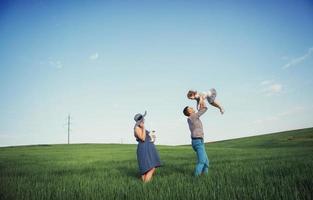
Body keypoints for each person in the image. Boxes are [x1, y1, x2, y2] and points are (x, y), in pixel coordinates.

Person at [183, 98, 210, 176]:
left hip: (200, 141)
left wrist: (199, 100)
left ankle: (205, 177)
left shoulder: (193, 117)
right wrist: (201, 99)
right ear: (189, 112)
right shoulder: (192, 117)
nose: (192, 108)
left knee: (206, 161)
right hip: (197, 141)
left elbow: (200, 109)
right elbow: (204, 109)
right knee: (202, 161)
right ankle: (196, 178)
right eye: (190, 108)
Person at [133, 111, 161, 182]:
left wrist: (153, 137)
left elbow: (148, 138)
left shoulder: (141, 128)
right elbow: (142, 138)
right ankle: (145, 186)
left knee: (146, 169)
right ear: (141, 120)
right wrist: (143, 127)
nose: (144, 120)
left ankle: (144, 187)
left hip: (148, 148)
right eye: (143, 119)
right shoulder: (137, 128)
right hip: (144, 149)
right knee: (151, 168)